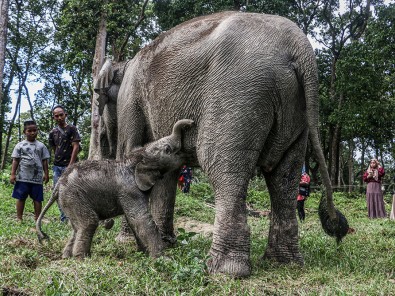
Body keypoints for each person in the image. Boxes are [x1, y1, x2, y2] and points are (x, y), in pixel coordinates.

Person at [10, 120, 50, 222]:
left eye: (34, 130)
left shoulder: (41, 146)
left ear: (37, 131)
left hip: (37, 178)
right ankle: (19, 218)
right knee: (21, 197)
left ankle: (37, 218)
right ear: (25, 132)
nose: (32, 133)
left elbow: (45, 160)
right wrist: (13, 174)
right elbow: (15, 160)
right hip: (23, 177)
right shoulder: (20, 145)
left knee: (37, 199)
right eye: (29, 131)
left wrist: (46, 173)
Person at [48, 105, 81, 222]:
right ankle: (64, 217)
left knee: (74, 191)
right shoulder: (53, 132)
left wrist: (71, 165)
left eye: (61, 115)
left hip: (71, 166)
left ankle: (75, 217)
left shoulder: (72, 129)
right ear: (54, 117)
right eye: (56, 116)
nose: (59, 117)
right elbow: (54, 148)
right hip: (57, 166)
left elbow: (76, 147)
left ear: (65, 115)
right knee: (58, 192)